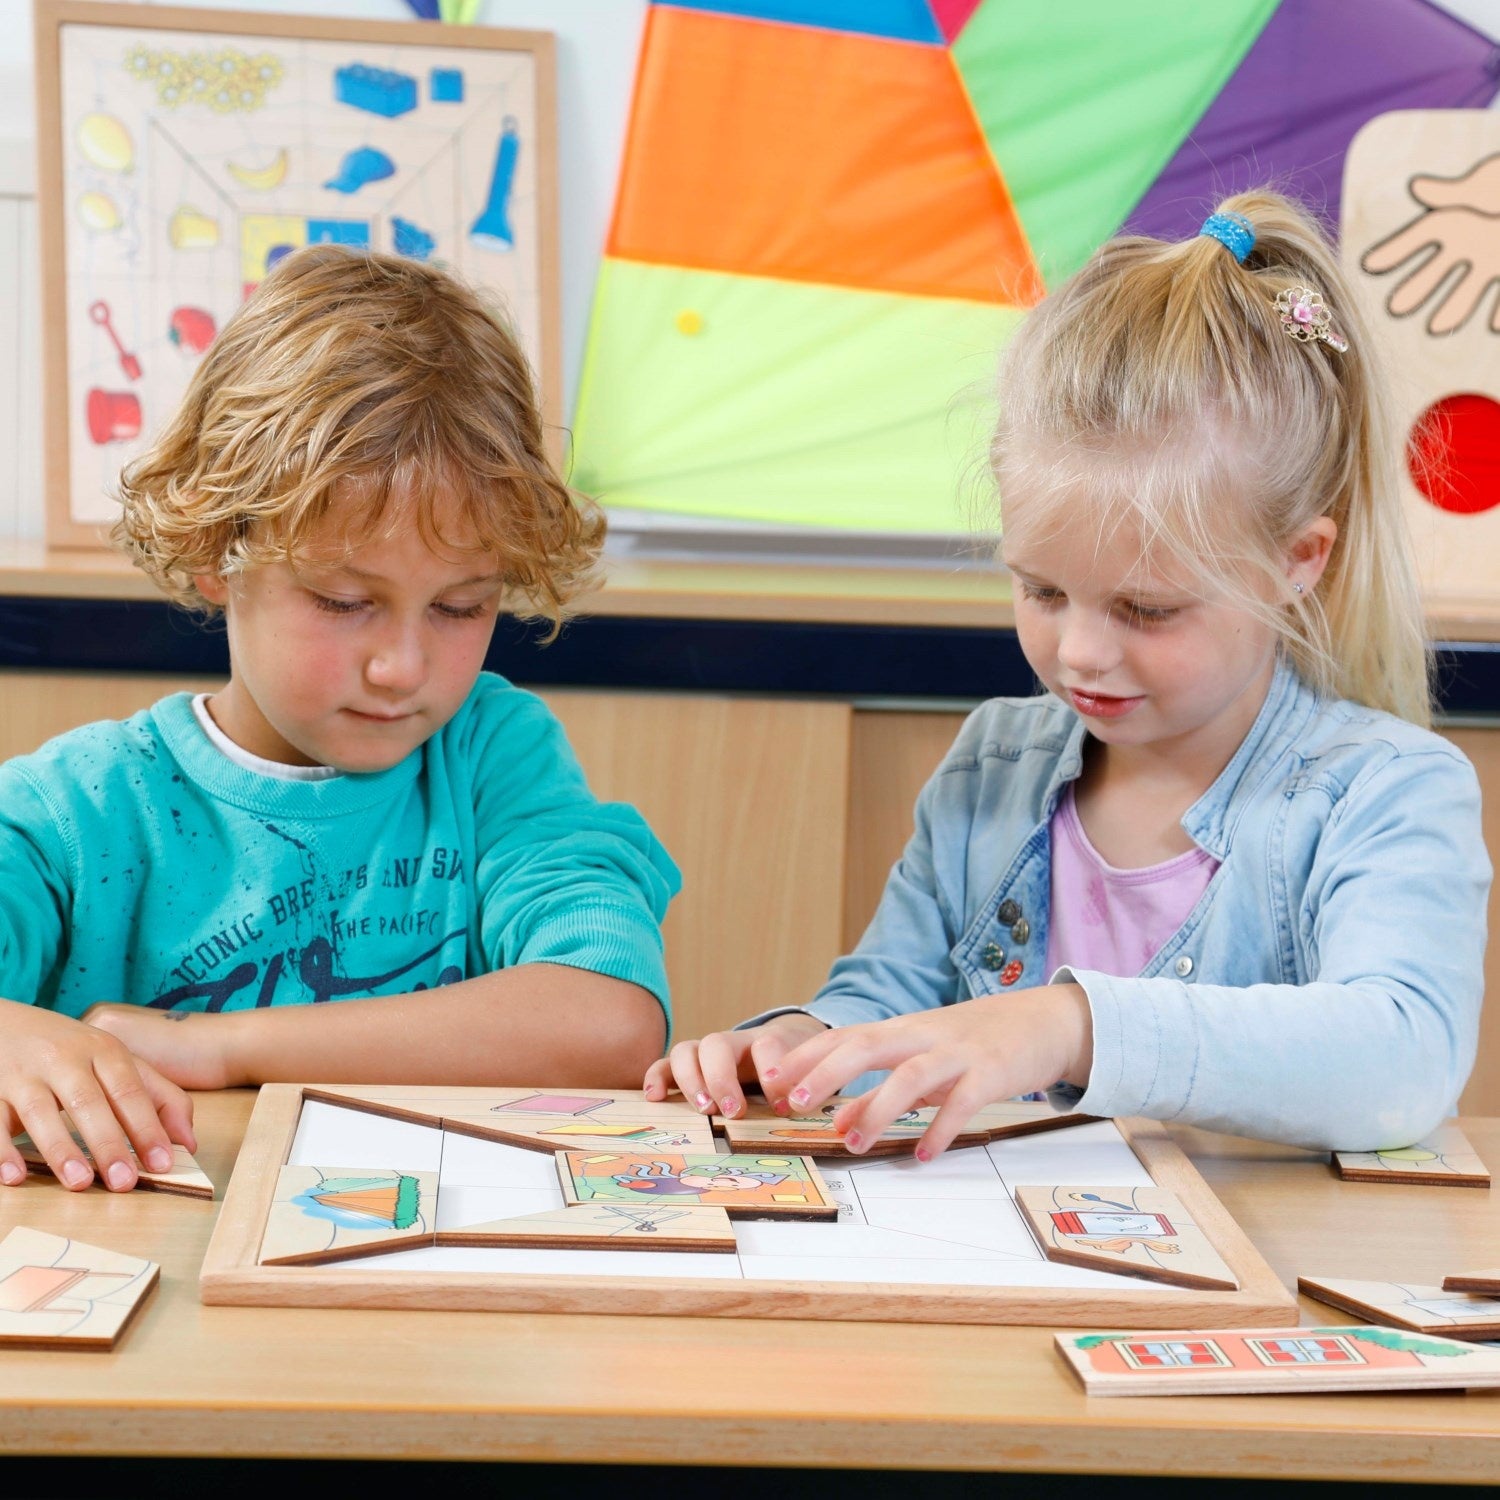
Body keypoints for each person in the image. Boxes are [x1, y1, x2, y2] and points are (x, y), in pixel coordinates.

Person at [645, 191, 1490, 1159]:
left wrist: (1070, 1026)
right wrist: (802, 1047)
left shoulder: (1386, 789)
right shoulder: (994, 761)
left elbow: (1402, 1065)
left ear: (1299, 560)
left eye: (1147, 609)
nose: (1082, 653)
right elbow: (890, 999)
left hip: (1262, 1294)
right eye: (1042, 590)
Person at [1, 246, 679, 1192]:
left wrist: (223, 1044)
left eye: (460, 606)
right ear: (215, 551)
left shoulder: (490, 757)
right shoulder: (81, 808)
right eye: (342, 599)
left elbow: (607, 1021)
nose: (403, 667)